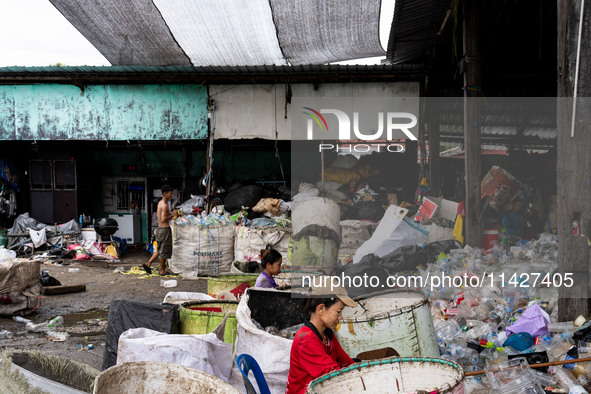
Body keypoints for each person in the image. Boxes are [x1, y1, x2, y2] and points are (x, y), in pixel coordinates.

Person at [286, 280, 358, 394]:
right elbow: (334, 377)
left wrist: (361, 371)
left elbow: (346, 362)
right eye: (338, 312)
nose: (340, 317)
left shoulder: (327, 334)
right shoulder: (306, 340)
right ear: (321, 309)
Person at [143, 185, 178, 276]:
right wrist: (173, 214)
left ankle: (148, 263)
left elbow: (164, 215)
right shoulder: (165, 205)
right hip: (164, 230)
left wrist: (171, 213)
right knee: (163, 251)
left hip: (159, 229)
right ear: (165, 194)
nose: (171, 195)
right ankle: (162, 271)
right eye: (170, 193)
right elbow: (163, 218)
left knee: (159, 249)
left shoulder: (160, 203)